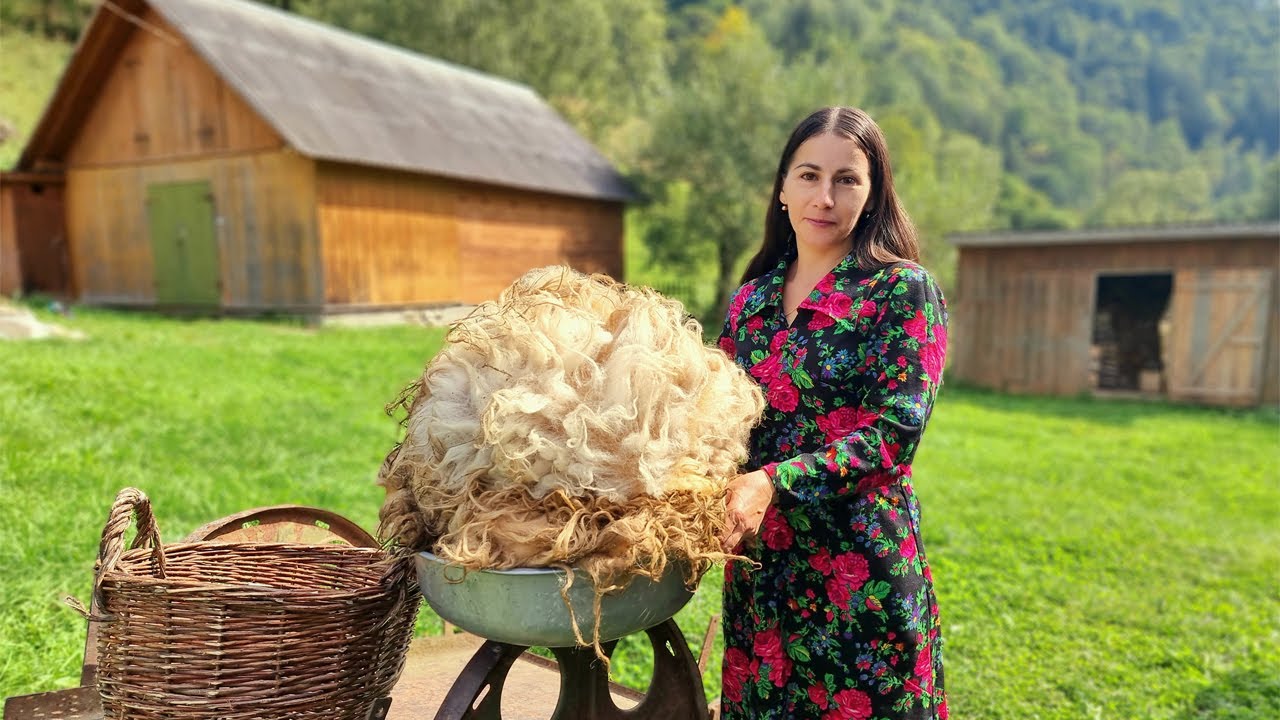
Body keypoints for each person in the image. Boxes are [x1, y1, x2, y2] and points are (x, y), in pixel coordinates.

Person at [717, 106, 949, 720]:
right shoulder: (754, 297)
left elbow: (894, 437)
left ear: (872, 195)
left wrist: (772, 481)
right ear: (783, 188)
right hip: (762, 576)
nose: (825, 196)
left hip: (858, 575)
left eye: (847, 179)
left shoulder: (902, 291)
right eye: (809, 174)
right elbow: (714, 415)